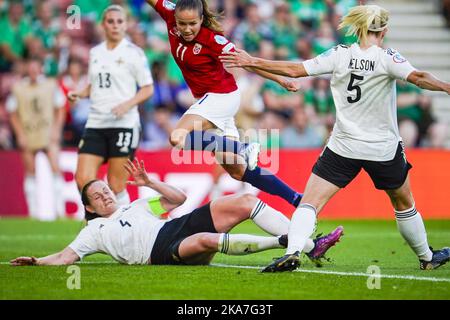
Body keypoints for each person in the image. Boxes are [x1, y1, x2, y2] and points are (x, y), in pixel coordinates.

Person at [220, 4, 450, 272]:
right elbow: (419, 78)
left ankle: (293, 251)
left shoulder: (339, 54)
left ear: (360, 28)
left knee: (310, 203)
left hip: (343, 145)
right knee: (403, 203)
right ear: (384, 30)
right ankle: (426, 257)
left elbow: (295, 70)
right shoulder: (388, 57)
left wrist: (253, 61)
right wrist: (446, 86)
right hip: (382, 149)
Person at [10, 159, 343, 267]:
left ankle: (306, 245)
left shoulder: (135, 205)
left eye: (106, 190)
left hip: (174, 225)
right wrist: (38, 262)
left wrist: (149, 182)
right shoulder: (92, 232)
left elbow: (178, 199)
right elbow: (66, 256)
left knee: (242, 201)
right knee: (204, 240)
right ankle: (287, 244)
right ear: (89, 207)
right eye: (98, 195)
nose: (105, 195)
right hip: (159, 251)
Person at [145, 0, 304, 209]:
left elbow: (246, 61)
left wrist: (279, 79)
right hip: (209, 101)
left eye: (192, 23)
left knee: (177, 136)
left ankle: (244, 147)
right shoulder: (170, 13)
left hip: (221, 96)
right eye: (181, 24)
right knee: (237, 171)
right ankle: (295, 197)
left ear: (201, 19)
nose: (187, 29)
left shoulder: (213, 40)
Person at [67, 5, 154, 212]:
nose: (115, 25)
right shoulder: (95, 52)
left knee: (115, 185)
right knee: (83, 180)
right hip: (96, 122)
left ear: (126, 25)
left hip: (124, 124)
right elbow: (95, 85)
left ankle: (122, 226)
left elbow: (148, 88)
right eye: (110, 21)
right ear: (103, 25)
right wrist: (80, 93)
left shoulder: (134, 53)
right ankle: (98, 227)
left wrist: (127, 104)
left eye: (119, 21)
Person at [6, 57, 66, 218]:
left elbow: (60, 108)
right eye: (30, 68)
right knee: (30, 171)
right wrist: (19, 134)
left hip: (47, 132)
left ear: (40, 69)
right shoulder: (19, 88)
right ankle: (33, 211)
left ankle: (60, 209)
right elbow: (12, 113)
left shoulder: (50, 85)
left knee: (55, 168)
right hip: (28, 132)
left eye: (35, 68)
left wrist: (56, 130)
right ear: (27, 69)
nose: (33, 71)